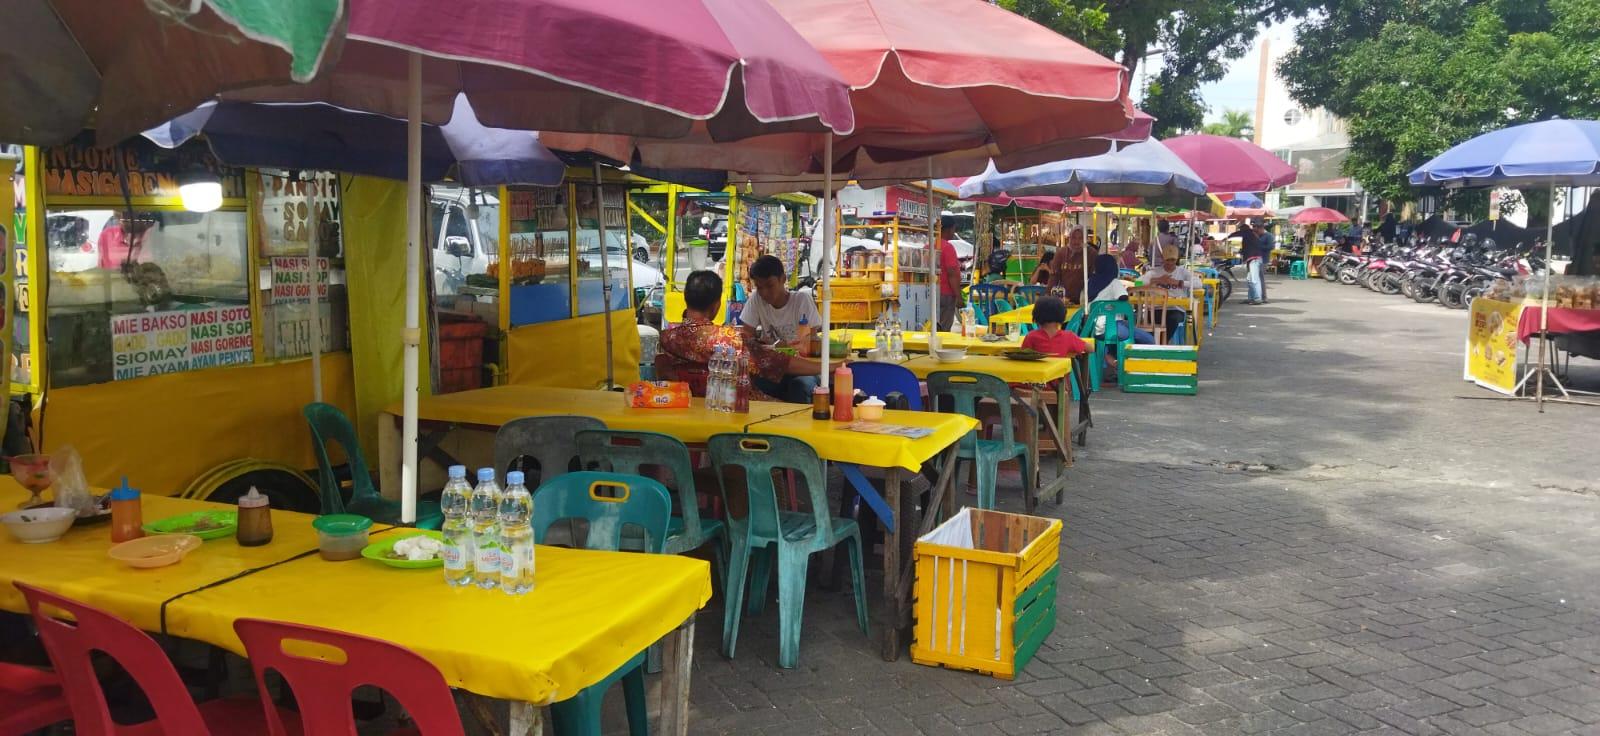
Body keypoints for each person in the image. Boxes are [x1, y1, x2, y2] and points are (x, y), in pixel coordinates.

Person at [658, 270, 820, 403]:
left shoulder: (667, 339)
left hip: (690, 408)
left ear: (686, 299)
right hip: (742, 411)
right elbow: (779, 363)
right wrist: (829, 367)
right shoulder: (730, 339)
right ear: (717, 305)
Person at [739, 255, 820, 346]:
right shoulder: (757, 298)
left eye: (770, 285)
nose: (764, 293)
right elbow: (747, 332)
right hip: (769, 358)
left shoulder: (802, 300)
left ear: (783, 279)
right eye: (759, 287)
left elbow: (812, 339)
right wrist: (753, 343)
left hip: (799, 358)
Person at [1141, 245, 1201, 343]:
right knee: (1145, 320)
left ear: (1176, 259)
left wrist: (1179, 283)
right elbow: (1139, 282)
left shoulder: (1183, 272)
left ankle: (1161, 344)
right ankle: (1152, 343)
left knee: (1173, 319)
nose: (1170, 263)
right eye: (1167, 260)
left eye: (1172, 260)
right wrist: (1157, 280)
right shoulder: (1154, 272)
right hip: (1156, 308)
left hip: (1175, 308)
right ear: (1163, 259)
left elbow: (1199, 284)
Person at [1021, 296, 1089, 358]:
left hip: (1037, 370)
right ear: (1062, 315)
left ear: (1036, 315)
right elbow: (1090, 348)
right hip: (1061, 371)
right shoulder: (1068, 336)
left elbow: (1023, 355)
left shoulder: (1031, 336)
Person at [1225, 219, 1265, 305]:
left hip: (1254, 258)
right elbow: (1246, 247)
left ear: (1243, 229)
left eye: (1240, 229)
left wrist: (1226, 238)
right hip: (1251, 258)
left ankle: (1257, 298)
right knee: (1250, 279)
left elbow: (1235, 234)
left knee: (1254, 279)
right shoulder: (1250, 235)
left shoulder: (1247, 232)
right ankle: (1251, 298)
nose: (1240, 231)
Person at [935, 215, 962, 332]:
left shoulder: (929, 245)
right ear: (949, 229)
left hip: (933, 292)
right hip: (946, 294)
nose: (954, 232)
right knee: (944, 329)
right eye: (954, 229)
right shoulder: (947, 247)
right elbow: (952, 274)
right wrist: (959, 296)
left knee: (934, 327)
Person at [1048, 228, 1087, 303]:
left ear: (1085, 239)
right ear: (1070, 238)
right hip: (1064, 300)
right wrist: (1048, 295)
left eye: (1080, 238)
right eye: (1074, 238)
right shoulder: (1061, 253)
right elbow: (1054, 275)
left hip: (1085, 300)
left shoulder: (1091, 254)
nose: (1077, 241)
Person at [1253, 221, 1275, 303]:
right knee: (1256, 279)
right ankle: (1257, 295)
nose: (1256, 232)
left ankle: (1264, 297)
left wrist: (1259, 246)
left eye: (1257, 230)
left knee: (1261, 278)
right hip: (1256, 259)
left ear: (1261, 228)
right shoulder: (1258, 235)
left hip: (1263, 259)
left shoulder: (1268, 236)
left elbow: (1271, 246)